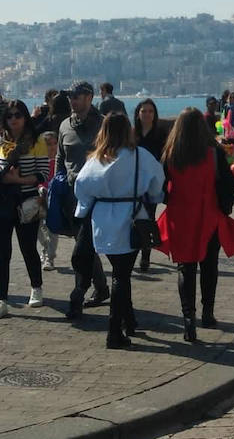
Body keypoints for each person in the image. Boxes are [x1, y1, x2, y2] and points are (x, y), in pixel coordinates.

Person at [158, 108, 234, 342]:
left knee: (186, 267)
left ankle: (188, 319)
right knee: (209, 265)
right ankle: (208, 313)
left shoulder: (171, 153)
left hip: (181, 216)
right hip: (209, 216)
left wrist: (171, 199)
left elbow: (160, 186)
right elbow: (229, 183)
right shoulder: (214, 152)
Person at [74, 113, 164, 348]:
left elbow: (81, 188)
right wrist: (153, 197)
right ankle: (114, 332)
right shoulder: (140, 156)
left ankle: (129, 320)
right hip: (132, 217)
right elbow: (158, 183)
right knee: (121, 276)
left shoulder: (95, 160)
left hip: (102, 220)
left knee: (120, 271)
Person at [0, 100, 50, 318]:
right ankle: (1, 299)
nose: (13, 120)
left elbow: (43, 173)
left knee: (28, 248)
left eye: (18, 115)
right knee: (1, 253)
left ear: (25, 118)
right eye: (9, 116)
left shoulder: (37, 141)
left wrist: (18, 180)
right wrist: (2, 176)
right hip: (1, 202)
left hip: (26, 201)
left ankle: (36, 287)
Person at [57, 81, 110, 318]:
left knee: (82, 249)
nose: (72, 100)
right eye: (70, 96)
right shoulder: (64, 126)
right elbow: (60, 160)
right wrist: (55, 188)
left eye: (76, 96)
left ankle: (78, 294)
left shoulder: (104, 125)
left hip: (98, 197)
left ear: (89, 98)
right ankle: (101, 288)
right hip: (72, 197)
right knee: (85, 244)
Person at [133, 98, 169, 273]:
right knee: (133, 218)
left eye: (150, 111)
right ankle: (132, 250)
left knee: (148, 217)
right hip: (134, 182)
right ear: (138, 114)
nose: (147, 114)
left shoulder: (161, 134)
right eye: (144, 111)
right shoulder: (132, 134)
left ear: (155, 114)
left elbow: (165, 158)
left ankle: (145, 255)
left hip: (153, 182)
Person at [37, 131, 59, 270]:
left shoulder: (60, 161)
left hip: (54, 197)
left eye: (55, 143)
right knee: (38, 228)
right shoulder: (40, 161)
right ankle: (45, 247)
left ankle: (50, 257)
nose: (52, 147)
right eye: (48, 144)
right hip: (40, 197)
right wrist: (40, 188)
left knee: (52, 228)